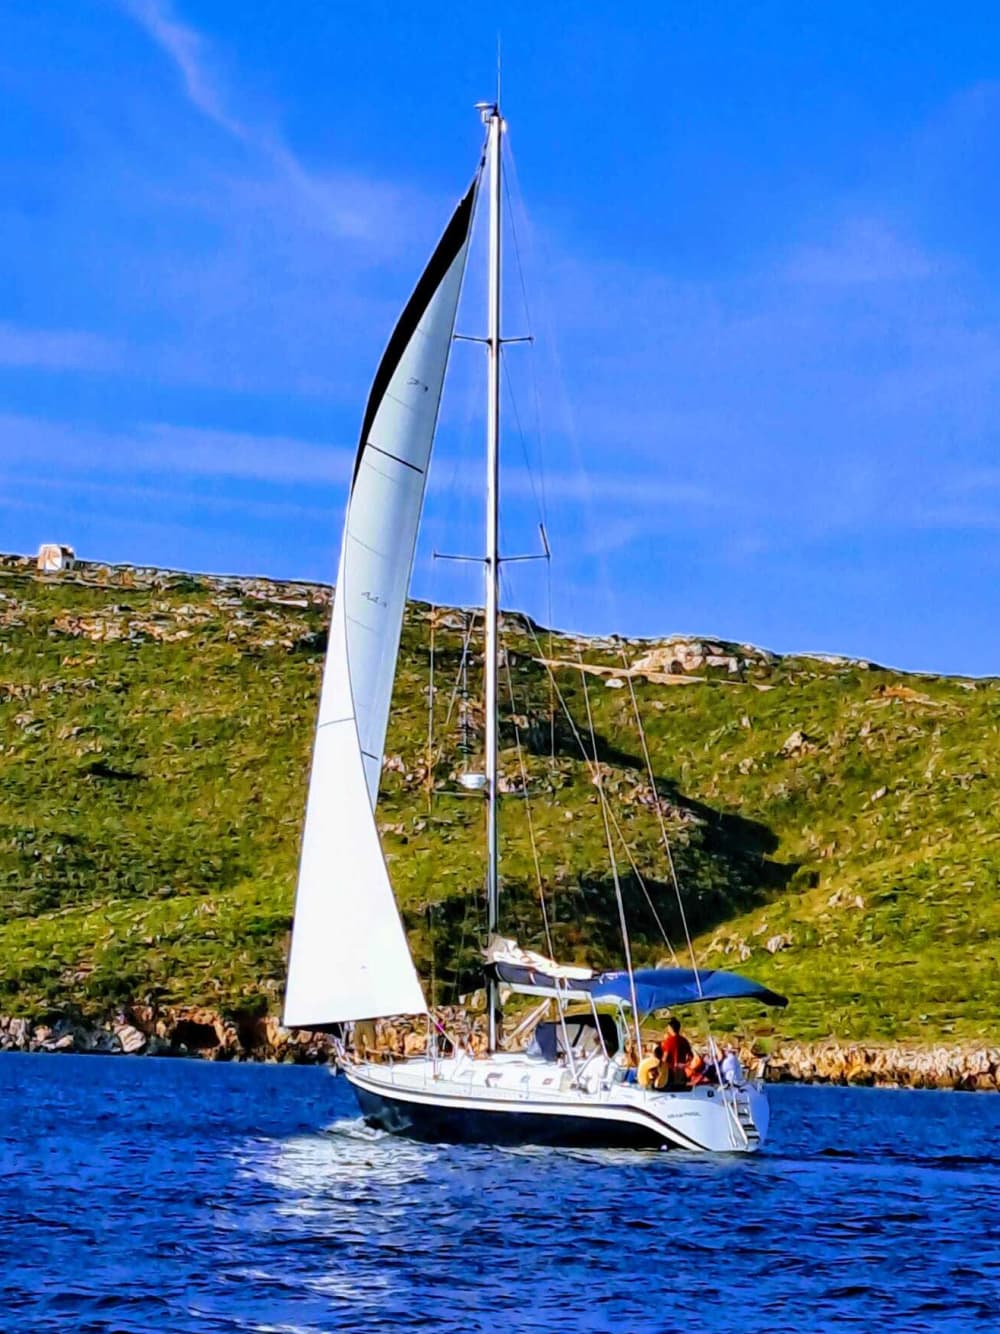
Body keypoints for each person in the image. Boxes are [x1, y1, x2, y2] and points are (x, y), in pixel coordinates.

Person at [660, 1016, 693, 1085]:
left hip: (671, 1072)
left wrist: (660, 1068)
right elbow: (691, 1056)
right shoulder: (684, 1040)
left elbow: (665, 1058)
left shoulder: (668, 1041)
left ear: (670, 1028)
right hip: (681, 1070)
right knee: (681, 1088)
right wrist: (685, 1065)